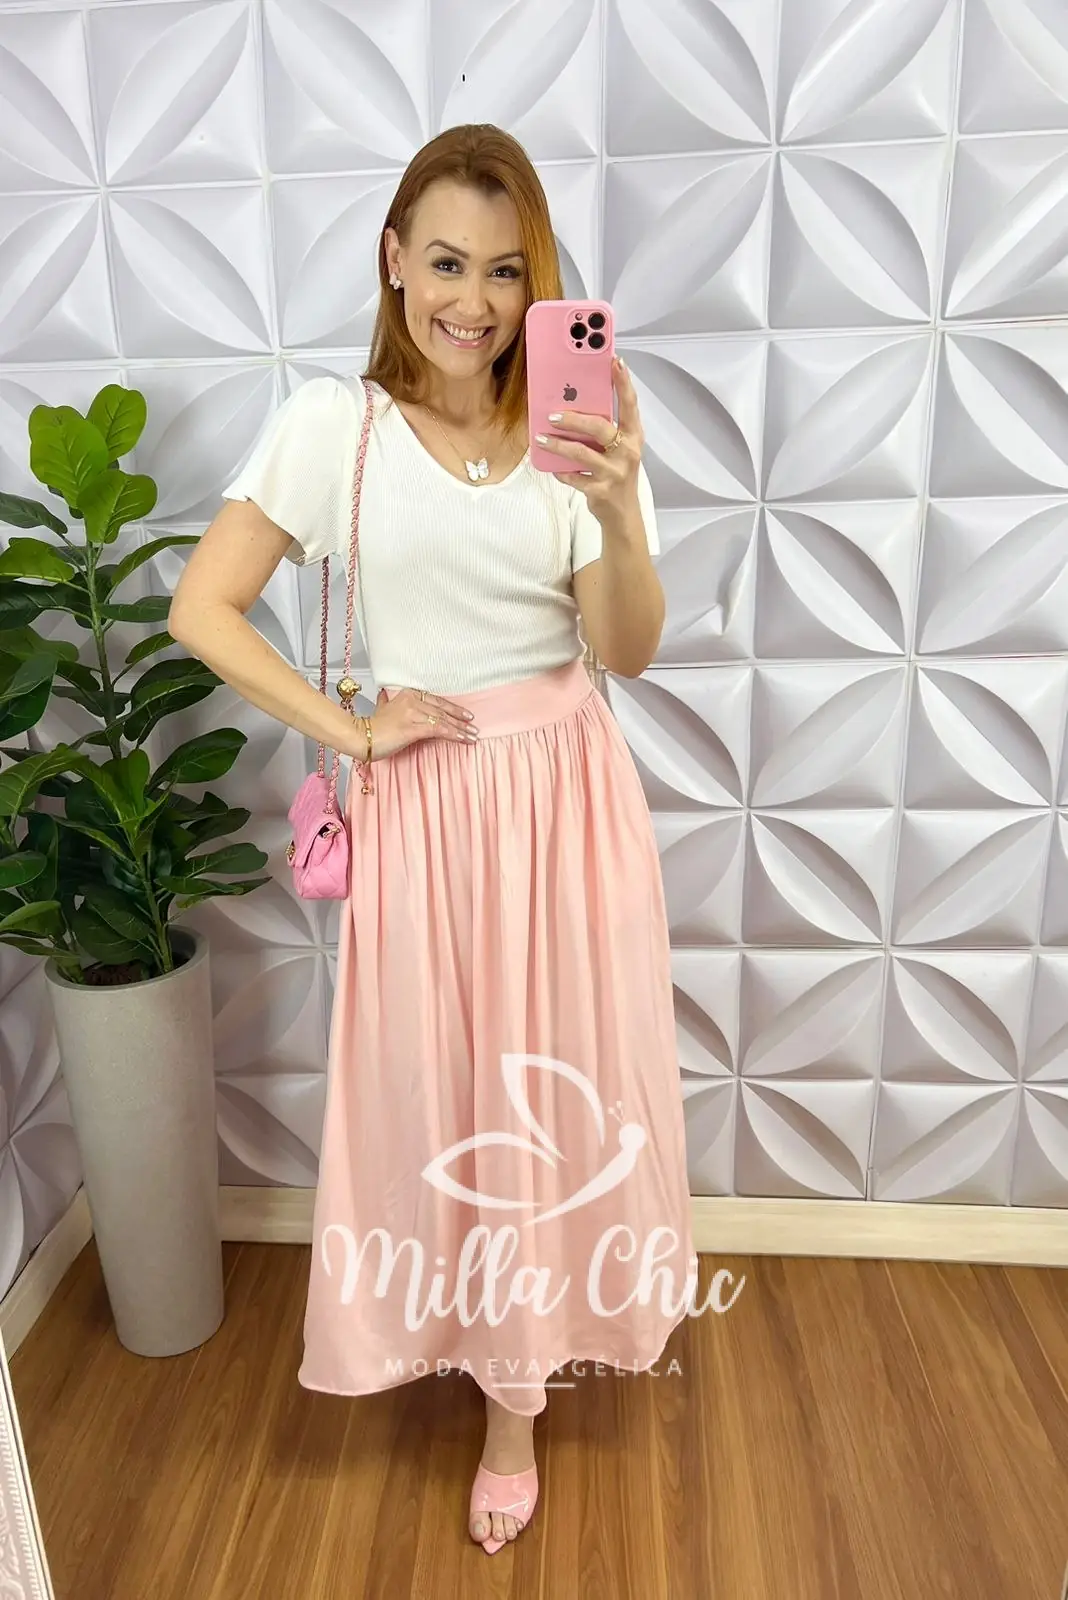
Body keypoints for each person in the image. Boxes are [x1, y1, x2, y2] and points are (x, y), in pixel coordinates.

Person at [170, 123, 696, 1557]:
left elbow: (626, 652)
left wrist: (619, 509)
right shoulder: (327, 429)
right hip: (426, 806)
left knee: (563, 1084)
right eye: (447, 262)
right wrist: (350, 731)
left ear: (541, 286)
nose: (473, 300)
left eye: (507, 271)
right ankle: (454, 1332)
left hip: (568, 801)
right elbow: (205, 608)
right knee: (443, 1093)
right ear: (394, 259)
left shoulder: (578, 427)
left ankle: (517, 1404)